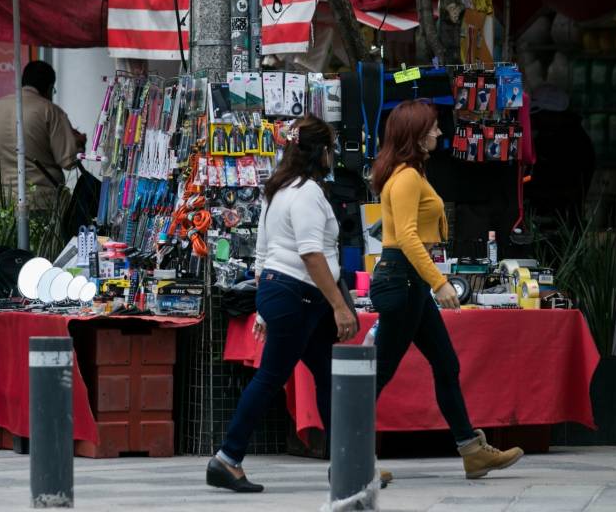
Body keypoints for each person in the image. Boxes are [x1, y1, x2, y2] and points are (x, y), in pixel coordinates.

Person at [370, 99, 524, 479]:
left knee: (445, 364)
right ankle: (350, 458)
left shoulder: (410, 173)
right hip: (404, 278)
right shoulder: (406, 177)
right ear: (416, 135)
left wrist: (431, 282)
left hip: (409, 280)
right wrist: (439, 283)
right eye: (433, 127)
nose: (440, 132)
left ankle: (472, 451)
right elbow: (406, 236)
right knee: (379, 374)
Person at [206, 116, 357, 493]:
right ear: (321, 151)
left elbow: (263, 253)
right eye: (331, 147)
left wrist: (264, 302)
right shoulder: (306, 192)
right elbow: (311, 254)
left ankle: (347, 462)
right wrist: (339, 305)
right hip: (298, 293)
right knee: (272, 375)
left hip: (285, 292)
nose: (333, 154)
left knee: (324, 373)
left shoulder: (279, 189)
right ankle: (227, 458)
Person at [0, 60, 87, 209]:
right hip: (39, 204)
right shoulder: (51, 111)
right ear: (49, 88)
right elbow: (69, 161)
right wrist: (78, 143)